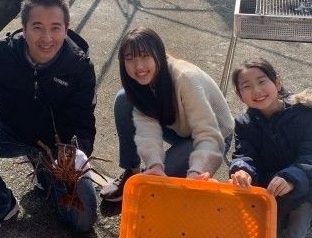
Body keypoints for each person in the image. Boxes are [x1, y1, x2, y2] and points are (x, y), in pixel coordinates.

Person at [0, 0, 97, 238]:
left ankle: (44, 172)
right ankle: (0, 206)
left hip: (56, 149)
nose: (46, 37)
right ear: (23, 26)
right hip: (10, 131)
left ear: (66, 28)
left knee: (82, 220)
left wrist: (78, 152)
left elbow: (84, 119)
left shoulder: (79, 66)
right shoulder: (0, 53)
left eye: (55, 27)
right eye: (37, 27)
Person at [228, 57, 312, 238]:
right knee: (265, 227)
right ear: (240, 95)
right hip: (269, 185)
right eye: (246, 86)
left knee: (304, 206)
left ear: (277, 83)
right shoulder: (244, 122)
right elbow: (244, 153)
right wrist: (242, 169)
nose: (256, 90)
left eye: (261, 81)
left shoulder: (303, 115)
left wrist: (292, 176)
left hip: (303, 180)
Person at [100, 27, 234, 201]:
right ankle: (131, 171)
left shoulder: (186, 78)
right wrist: (154, 164)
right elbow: (146, 124)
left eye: (145, 55)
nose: (138, 66)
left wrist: (196, 172)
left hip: (214, 136)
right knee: (124, 100)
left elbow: (209, 134)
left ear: (159, 53)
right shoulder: (141, 81)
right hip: (178, 126)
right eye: (130, 58)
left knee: (162, 186)